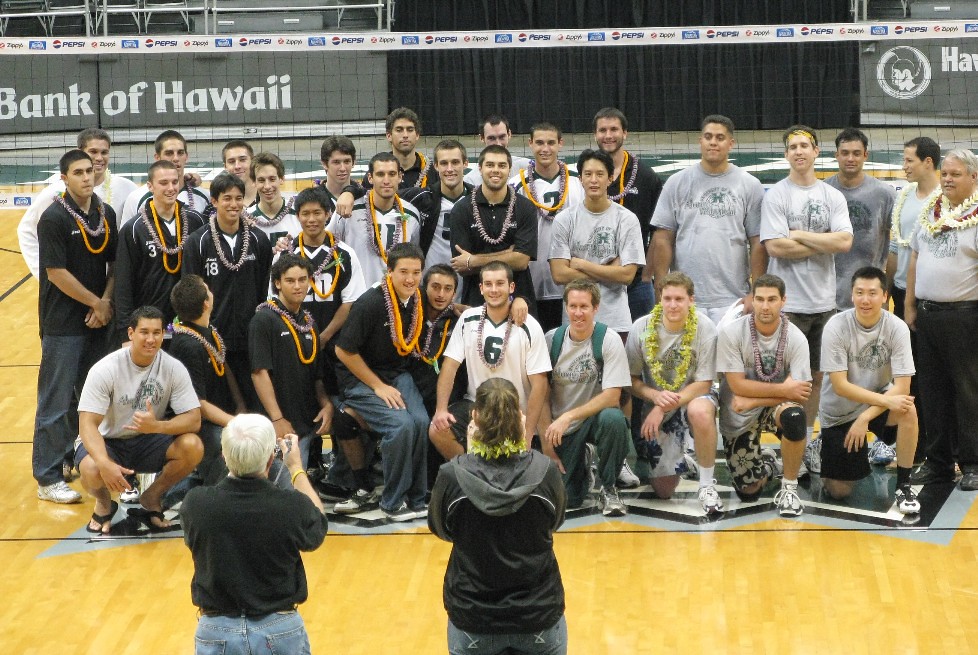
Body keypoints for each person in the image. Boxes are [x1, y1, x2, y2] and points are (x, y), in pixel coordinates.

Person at [429, 378, 568, 655]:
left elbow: (441, 529)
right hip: (538, 616)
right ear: (520, 417)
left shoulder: (452, 475)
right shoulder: (545, 471)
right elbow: (556, 521)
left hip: (474, 619)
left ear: (474, 417)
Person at [182, 414, 327, 654]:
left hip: (217, 629)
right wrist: (296, 468)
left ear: (223, 455)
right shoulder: (291, 506)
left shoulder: (195, 504)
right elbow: (318, 525)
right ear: (271, 458)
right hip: (279, 628)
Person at [34, 149, 118, 505]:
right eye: (78, 172)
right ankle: (47, 477)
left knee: (92, 400)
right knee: (55, 402)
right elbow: (56, 273)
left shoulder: (105, 213)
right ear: (64, 178)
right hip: (62, 324)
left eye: (90, 170)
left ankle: (86, 461)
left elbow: (115, 265)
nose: (87, 177)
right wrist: (96, 303)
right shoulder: (53, 218)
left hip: (99, 321)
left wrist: (106, 303)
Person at [75, 306, 203, 533]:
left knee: (193, 446)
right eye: (144, 332)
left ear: (163, 334)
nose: (151, 339)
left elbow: (194, 420)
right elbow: (87, 424)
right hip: (108, 441)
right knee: (92, 468)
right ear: (131, 333)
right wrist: (104, 462)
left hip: (148, 439)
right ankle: (104, 502)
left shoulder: (173, 368)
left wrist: (157, 426)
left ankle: (152, 497)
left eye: (156, 333)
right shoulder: (105, 369)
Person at [760, 125, 853, 437]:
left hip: (824, 303)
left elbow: (844, 242)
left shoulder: (832, 196)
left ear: (816, 151)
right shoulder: (777, 195)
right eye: (793, 147)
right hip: (789, 305)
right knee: (784, 379)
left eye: (804, 146)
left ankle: (806, 440)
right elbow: (776, 247)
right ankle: (787, 439)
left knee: (815, 377)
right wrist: (824, 241)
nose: (799, 151)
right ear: (786, 154)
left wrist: (798, 234)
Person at [333, 243, 430, 520]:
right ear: (389, 271)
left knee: (421, 421)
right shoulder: (370, 303)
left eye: (416, 272)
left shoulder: (417, 298)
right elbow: (343, 351)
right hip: (359, 380)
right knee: (400, 426)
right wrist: (377, 386)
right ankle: (392, 502)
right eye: (403, 272)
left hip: (397, 374)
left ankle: (416, 497)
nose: (410, 279)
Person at [817, 267, 919, 514]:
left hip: (876, 404)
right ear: (851, 295)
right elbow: (840, 386)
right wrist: (869, 411)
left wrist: (865, 417)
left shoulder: (897, 327)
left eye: (872, 293)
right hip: (840, 412)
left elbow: (903, 386)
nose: (865, 299)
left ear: (885, 296)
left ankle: (904, 485)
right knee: (839, 491)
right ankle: (821, 448)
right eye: (859, 292)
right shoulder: (836, 326)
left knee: (908, 410)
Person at [905, 148, 978, 490]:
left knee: (968, 393)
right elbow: (914, 257)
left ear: (974, 177)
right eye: (945, 173)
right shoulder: (930, 211)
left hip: (965, 318)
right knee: (932, 393)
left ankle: (973, 463)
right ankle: (939, 463)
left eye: (955, 174)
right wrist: (909, 304)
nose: (947, 179)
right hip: (928, 316)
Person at [650, 115, 767, 324]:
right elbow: (662, 239)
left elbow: (758, 242)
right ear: (700, 141)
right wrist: (661, 289)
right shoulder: (676, 183)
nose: (713, 142)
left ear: (731, 143)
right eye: (708, 137)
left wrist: (756, 292)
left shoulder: (750, 185)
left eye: (720, 138)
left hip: (733, 299)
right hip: (684, 297)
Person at [430, 262, 551, 462]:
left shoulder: (529, 325)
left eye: (500, 283)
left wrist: (528, 434)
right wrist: (440, 409)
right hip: (475, 404)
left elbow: (540, 384)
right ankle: (473, 473)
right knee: (437, 429)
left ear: (511, 287)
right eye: (488, 284)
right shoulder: (468, 319)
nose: (494, 289)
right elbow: (449, 366)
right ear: (481, 288)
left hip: (515, 409)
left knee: (510, 456)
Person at [716, 274, 812, 516]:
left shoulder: (796, 338)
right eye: (759, 299)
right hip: (738, 412)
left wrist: (754, 400)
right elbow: (737, 386)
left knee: (794, 416)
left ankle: (789, 489)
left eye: (772, 299)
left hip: (768, 406)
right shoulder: (732, 333)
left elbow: (799, 395)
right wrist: (784, 390)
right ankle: (769, 464)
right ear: (753, 300)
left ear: (783, 301)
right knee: (749, 491)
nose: (765, 306)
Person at [625, 272, 721, 514]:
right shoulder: (642, 328)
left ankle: (707, 485)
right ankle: (683, 457)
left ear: (691, 300)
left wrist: (662, 407)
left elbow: (704, 383)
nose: (673, 305)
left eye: (679, 299)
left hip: (695, 396)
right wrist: (654, 397)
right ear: (660, 299)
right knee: (664, 490)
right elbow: (631, 381)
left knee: (700, 412)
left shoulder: (705, 328)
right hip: (657, 398)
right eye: (667, 298)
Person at [183, 173, 273, 412]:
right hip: (212, 336)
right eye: (227, 198)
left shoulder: (259, 240)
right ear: (214, 201)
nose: (234, 204)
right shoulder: (197, 241)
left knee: (253, 404)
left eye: (238, 198)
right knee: (219, 403)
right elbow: (191, 290)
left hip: (249, 337)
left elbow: (264, 287)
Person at [541, 280, 631, 516]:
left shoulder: (608, 339)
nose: (578, 313)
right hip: (560, 429)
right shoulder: (551, 340)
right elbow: (540, 394)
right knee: (568, 500)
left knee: (614, 419)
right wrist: (547, 445)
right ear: (566, 307)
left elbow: (612, 396)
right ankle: (584, 462)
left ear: (596, 308)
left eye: (584, 306)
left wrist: (570, 416)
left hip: (591, 419)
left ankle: (609, 487)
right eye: (573, 306)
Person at [18, 128, 137, 278]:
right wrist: (42, 273)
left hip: (112, 278)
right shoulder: (55, 192)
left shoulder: (128, 187)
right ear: (79, 152)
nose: (99, 158)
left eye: (104, 152)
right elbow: (26, 230)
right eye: (93, 152)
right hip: (71, 279)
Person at [549, 148, 644, 337]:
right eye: (588, 174)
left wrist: (581, 264)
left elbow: (627, 275)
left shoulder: (627, 219)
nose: (594, 180)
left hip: (616, 322)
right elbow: (559, 274)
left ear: (610, 178)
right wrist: (609, 271)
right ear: (580, 179)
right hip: (575, 322)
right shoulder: (564, 220)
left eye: (600, 174)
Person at [250, 254, 333, 467]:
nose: (297, 286)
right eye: (290, 280)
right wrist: (277, 418)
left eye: (302, 280)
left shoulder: (308, 322)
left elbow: (317, 376)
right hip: (278, 428)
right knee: (284, 484)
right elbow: (259, 373)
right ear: (277, 283)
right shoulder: (264, 319)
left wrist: (326, 405)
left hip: (306, 424)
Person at [887, 136, 940, 464]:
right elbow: (896, 248)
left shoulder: (945, 201)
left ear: (928, 162)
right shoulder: (904, 196)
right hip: (900, 293)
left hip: (929, 297)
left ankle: (942, 450)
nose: (904, 166)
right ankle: (912, 448)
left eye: (909, 160)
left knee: (932, 375)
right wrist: (885, 291)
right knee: (907, 374)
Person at [114, 160, 205, 342]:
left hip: (189, 325)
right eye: (164, 183)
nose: (171, 188)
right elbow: (123, 283)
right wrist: (125, 331)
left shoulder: (196, 221)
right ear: (150, 186)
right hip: (149, 326)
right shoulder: (134, 229)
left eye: (174, 182)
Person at [169, 275, 244, 488]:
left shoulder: (209, 331)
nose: (211, 291)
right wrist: (235, 422)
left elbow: (223, 364)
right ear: (206, 303)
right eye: (207, 289)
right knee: (233, 453)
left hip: (219, 416)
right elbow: (198, 404)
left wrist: (240, 405)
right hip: (200, 424)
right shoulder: (187, 344)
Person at [592, 107, 663, 319]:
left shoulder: (646, 177)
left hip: (636, 282)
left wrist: (648, 276)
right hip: (594, 279)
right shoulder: (587, 176)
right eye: (602, 130)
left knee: (643, 337)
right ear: (595, 134)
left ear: (625, 133)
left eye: (614, 129)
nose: (608, 135)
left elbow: (658, 232)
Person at [513, 123, 585, 332]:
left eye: (551, 143)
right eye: (539, 143)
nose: (545, 149)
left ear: (560, 144)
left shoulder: (578, 182)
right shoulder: (516, 185)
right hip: (531, 283)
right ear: (530, 144)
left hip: (570, 283)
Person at [449, 145, 539, 311]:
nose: (496, 170)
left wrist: (473, 260)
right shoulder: (461, 209)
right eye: (490, 165)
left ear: (509, 169)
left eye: (502, 165)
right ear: (480, 168)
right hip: (476, 301)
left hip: (519, 300)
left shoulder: (525, 207)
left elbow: (521, 261)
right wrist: (509, 254)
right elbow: (462, 267)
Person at [825, 128, 896, 311]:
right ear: (836, 155)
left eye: (856, 153)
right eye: (845, 153)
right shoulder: (822, 191)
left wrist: (886, 292)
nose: (850, 158)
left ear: (865, 155)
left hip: (869, 295)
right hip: (827, 296)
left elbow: (897, 246)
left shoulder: (885, 194)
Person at [327, 152, 422, 287]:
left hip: (395, 294)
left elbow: (413, 258)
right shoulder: (349, 210)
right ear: (370, 178)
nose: (386, 180)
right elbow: (328, 248)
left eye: (392, 174)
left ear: (400, 177)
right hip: (356, 294)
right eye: (380, 174)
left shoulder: (412, 214)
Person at [400, 139, 475, 268]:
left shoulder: (478, 199)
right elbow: (385, 195)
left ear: (465, 164)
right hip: (430, 278)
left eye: (455, 162)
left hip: (469, 277)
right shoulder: (421, 198)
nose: (449, 169)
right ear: (436, 166)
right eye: (444, 163)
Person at [121, 130, 210, 222]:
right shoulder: (136, 198)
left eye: (180, 153)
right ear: (157, 158)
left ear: (186, 157)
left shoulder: (204, 196)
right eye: (169, 153)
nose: (176, 158)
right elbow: (127, 230)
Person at [362, 107, 438, 190]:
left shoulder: (434, 172)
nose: (405, 135)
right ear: (389, 136)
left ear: (417, 135)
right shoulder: (375, 174)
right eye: (399, 130)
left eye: (410, 130)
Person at [245, 151, 301, 246]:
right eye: (261, 180)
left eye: (272, 179)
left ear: (282, 179)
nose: (267, 186)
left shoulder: (299, 212)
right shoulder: (246, 219)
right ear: (254, 182)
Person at [463, 114, 531, 187]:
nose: (498, 144)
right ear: (482, 138)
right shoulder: (470, 181)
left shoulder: (528, 168)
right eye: (491, 138)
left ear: (509, 134)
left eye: (502, 137)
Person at [221, 139, 257, 207]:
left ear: (253, 162)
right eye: (231, 162)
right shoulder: (217, 205)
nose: (237, 166)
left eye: (242, 160)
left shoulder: (268, 198)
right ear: (225, 166)